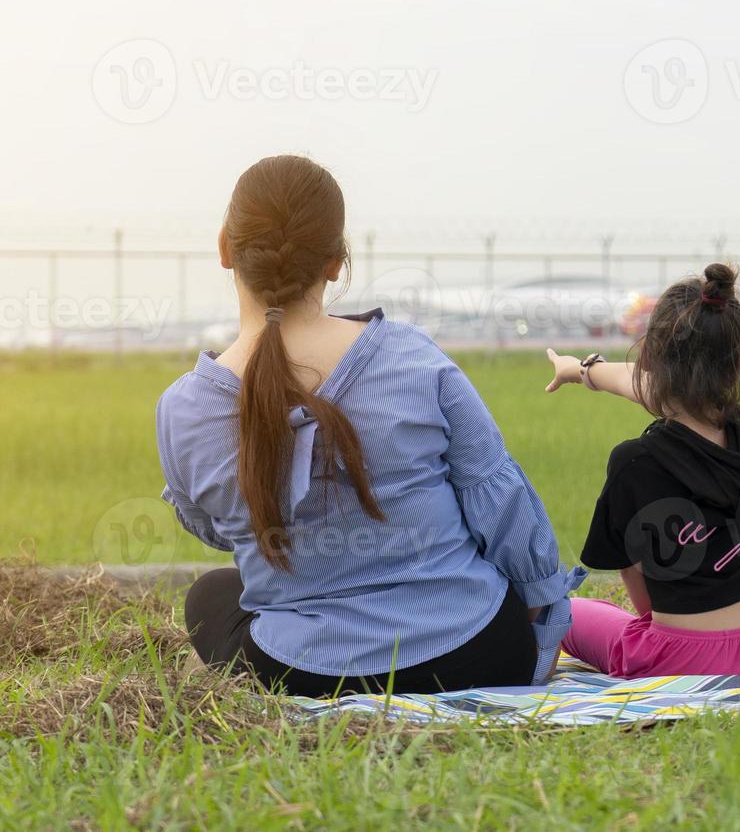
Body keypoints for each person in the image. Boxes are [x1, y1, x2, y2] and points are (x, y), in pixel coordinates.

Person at [157, 154, 581, 697]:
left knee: (209, 595)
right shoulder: (413, 357)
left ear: (224, 248)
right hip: (477, 653)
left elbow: (215, 530)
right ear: (336, 261)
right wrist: (543, 626)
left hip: (304, 674)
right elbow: (500, 505)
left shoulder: (183, 408)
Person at [543, 263, 740, 677]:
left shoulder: (633, 462)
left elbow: (638, 589)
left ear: (652, 357)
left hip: (675, 659)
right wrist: (583, 371)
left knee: (566, 611)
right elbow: (655, 387)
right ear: (736, 364)